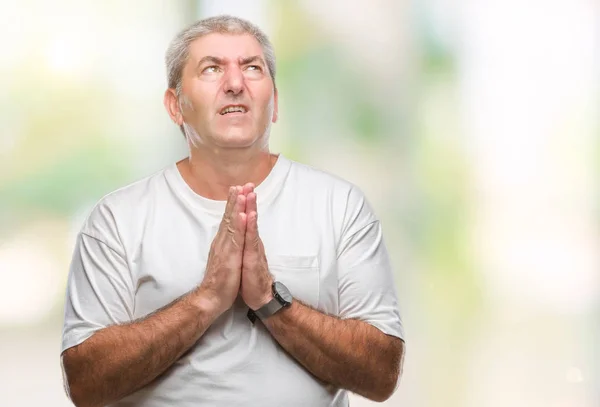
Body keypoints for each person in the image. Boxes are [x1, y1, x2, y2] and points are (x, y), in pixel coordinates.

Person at [60, 15, 405, 407]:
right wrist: (206, 298)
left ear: (273, 102)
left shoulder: (340, 207)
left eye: (252, 68)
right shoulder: (117, 220)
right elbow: (85, 385)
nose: (236, 84)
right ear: (176, 106)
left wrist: (269, 300)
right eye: (212, 68)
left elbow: (381, 376)